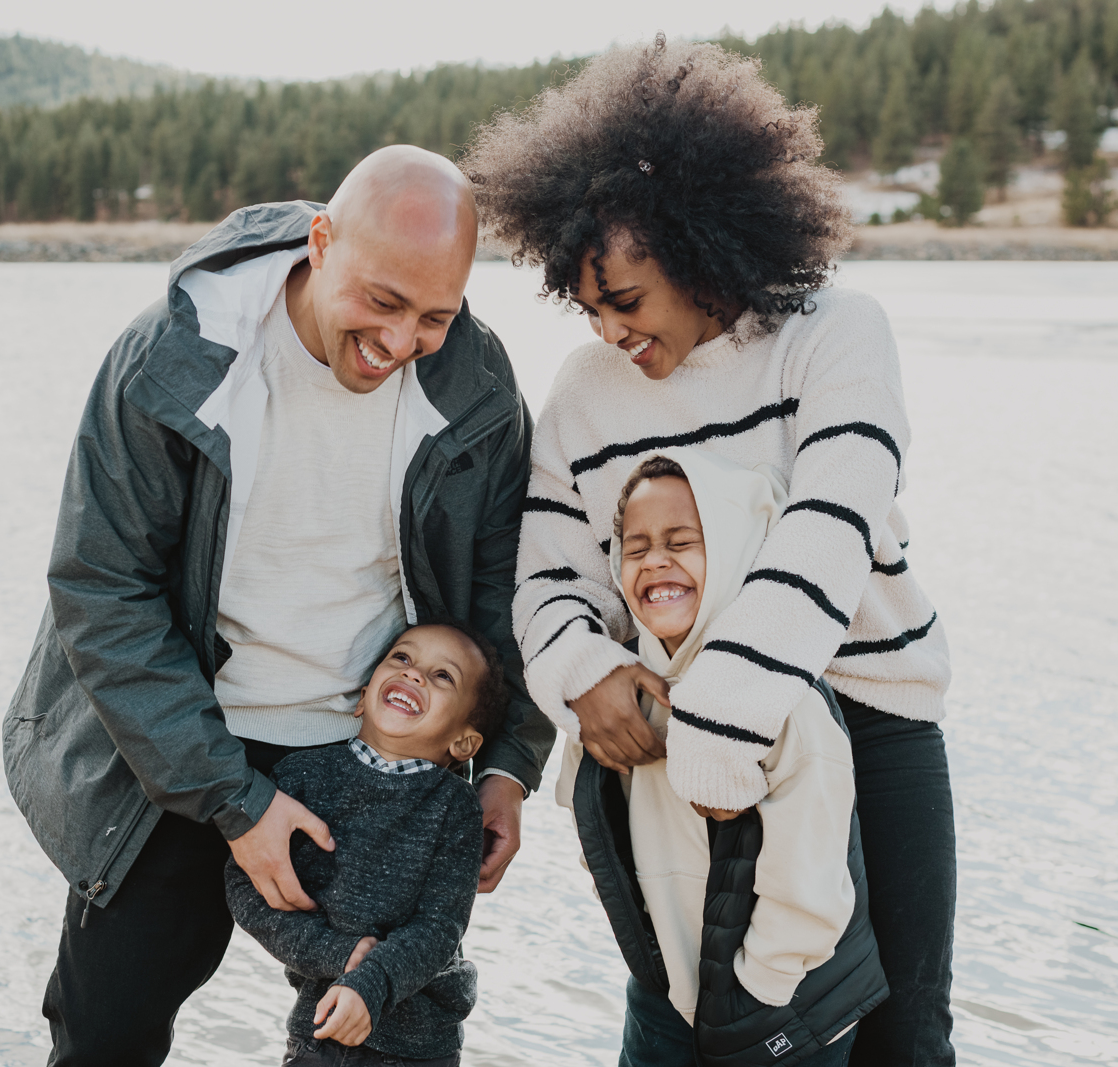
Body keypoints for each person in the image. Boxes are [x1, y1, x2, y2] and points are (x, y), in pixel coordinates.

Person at [2, 145, 555, 1067]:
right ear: (321, 241)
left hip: (371, 751)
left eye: (434, 316)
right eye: (381, 302)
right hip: (176, 746)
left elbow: (508, 586)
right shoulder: (173, 360)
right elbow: (102, 591)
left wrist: (507, 762)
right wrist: (237, 802)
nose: (400, 342)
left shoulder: (476, 381)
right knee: (107, 1035)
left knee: (393, 1027)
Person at [463, 37, 956, 1067]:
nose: (610, 332)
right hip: (672, 744)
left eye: (628, 302)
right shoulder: (581, 394)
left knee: (902, 1037)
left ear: (699, 247)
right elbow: (549, 577)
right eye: (588, 307)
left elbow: (832, 524)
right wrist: (584, 670)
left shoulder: (834, 334)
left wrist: (730, 705)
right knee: (680, 1029)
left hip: (868, 723)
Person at [559, 449, 888, 1067]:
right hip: (667, 987)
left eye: (684, 541)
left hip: (785, 1000)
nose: (656, 559)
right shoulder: (624, 687)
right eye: (637, 547)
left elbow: (811, 887)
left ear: (737, 549)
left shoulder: (784, 700)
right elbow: (590, 819)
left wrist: (756, 989)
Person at [227, 620, 509, 1067]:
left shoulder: (456, 806)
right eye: (402, 658)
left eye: (443, 676)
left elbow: (441, 926)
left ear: (464, 741)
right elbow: (246, 888)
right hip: (321, 1029)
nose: (414, 674)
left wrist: (371, 981)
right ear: (361, 697)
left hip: (421, 1043)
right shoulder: (302, 776)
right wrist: (334, 953)